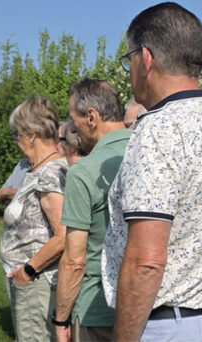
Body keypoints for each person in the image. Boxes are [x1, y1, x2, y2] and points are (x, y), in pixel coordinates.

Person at [101, 3, 202, 341]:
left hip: (169, 326)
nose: (129, 70)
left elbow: (146, 261)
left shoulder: (159, 129)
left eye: (129, 59)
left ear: (146, 58)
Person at [53, 79, 129, 342]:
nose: (72, 128)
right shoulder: (150, 154)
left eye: (73, 119)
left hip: (96, 312)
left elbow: (74, 261)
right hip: (148, 308)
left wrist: (61, 318)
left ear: (92, 117)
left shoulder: (84, 172)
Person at [0, 95, 68, 342]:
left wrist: (28, 270)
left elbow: (63, 235)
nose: (15, 141)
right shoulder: (40, 169)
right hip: (30, 282)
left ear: (32, 135)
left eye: (16, 134)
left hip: (37, 283)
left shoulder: (50, 173)